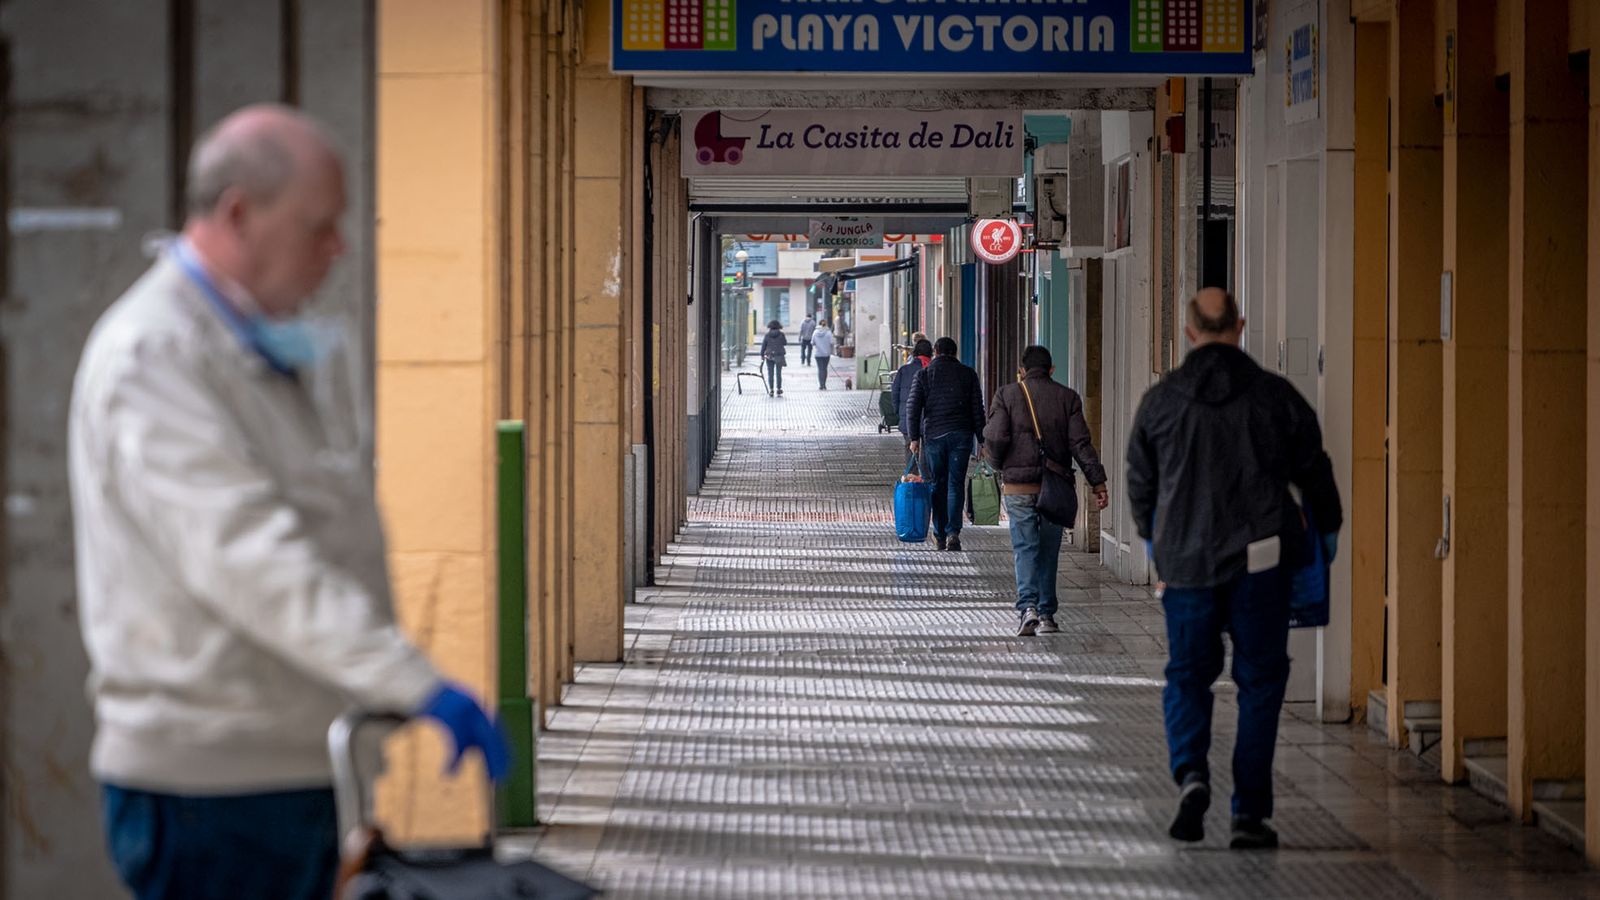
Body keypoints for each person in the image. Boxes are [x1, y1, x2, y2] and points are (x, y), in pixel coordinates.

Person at [68, 105, 510, 900]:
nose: (338, 248)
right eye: (319, 226)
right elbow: (250, 558)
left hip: (282, 770)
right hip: (212, 792)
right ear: (238, 213)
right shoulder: (155, 358)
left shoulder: (243, 346)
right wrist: (412, 683)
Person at [1127, 288, 1341, 851]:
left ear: (1191, 330)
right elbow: (1315, 471)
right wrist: (1327, 536)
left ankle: (1192, 773)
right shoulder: (1275, 397)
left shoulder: (1161, 401)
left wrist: (1158, 543)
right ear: (1239, 327)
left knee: (1188, 675)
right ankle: (1249, 813)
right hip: (1261, 562)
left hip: (1187, 562)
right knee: (1262, 682)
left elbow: (1140, 484)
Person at [983, 345, 1108, 635]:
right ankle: (1048, 615)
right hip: (1055, 486)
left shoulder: (1007, 394)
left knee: (1025, 547)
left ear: (1022, 370)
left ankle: (1028, 608)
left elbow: (996, 436)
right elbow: (1081, 445)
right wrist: (1097, 481)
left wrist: (1000, 465)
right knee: (1049, 550)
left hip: (1018, 485)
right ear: (1052, 370)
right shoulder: (1068, 398)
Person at [906, 337, 984, 552]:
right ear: (955, 353)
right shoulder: (968, 374)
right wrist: (982, 439)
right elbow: (978, 409)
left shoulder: (924, 374)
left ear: (936, 352)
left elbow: (912, 408)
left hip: (934, 436)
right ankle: (953, 533)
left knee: (937, 484)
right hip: (961, 435)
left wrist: (914, 438)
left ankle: (939, 533)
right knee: (955, 484)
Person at [891, 338, 934, 462]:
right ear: (931, 353)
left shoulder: (904, 370)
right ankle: (926, 479)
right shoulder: (933, 370)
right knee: (927, 453)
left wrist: (899, 412)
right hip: (930, 420)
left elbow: (895, 394)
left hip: (908, 418)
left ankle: (912, 478)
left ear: (914, 353)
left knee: (911, 451)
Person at [759, 319, 787, 396]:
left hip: (769, 356)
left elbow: (763, 345)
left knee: (770, 373)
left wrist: (762, 355)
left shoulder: (767, 335)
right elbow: (785, 343)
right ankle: (779, 389)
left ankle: (771, 389)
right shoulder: (781, 334)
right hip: (779, 355)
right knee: (778, 373)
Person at [812, 319, 835, 389]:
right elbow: (831, 342)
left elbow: (812, 342)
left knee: (820, 369)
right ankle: (824, 384)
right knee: (824, 369)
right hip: (826, 354)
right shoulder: (829, 332)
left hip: (818, 354)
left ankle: (821, 385)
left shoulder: (815, 332)